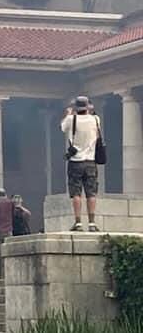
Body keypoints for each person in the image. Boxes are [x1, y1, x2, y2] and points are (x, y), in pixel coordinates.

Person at [61, 96, 102, 232]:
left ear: (75, 108)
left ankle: (78, 222)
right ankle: (92, 222)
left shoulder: (70, 120)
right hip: (90, 161)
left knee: (76, 192)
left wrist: (68, 114)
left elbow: (62, 128)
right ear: (87, 107)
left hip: (75, 161)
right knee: (91, 193)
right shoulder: (95, 119)